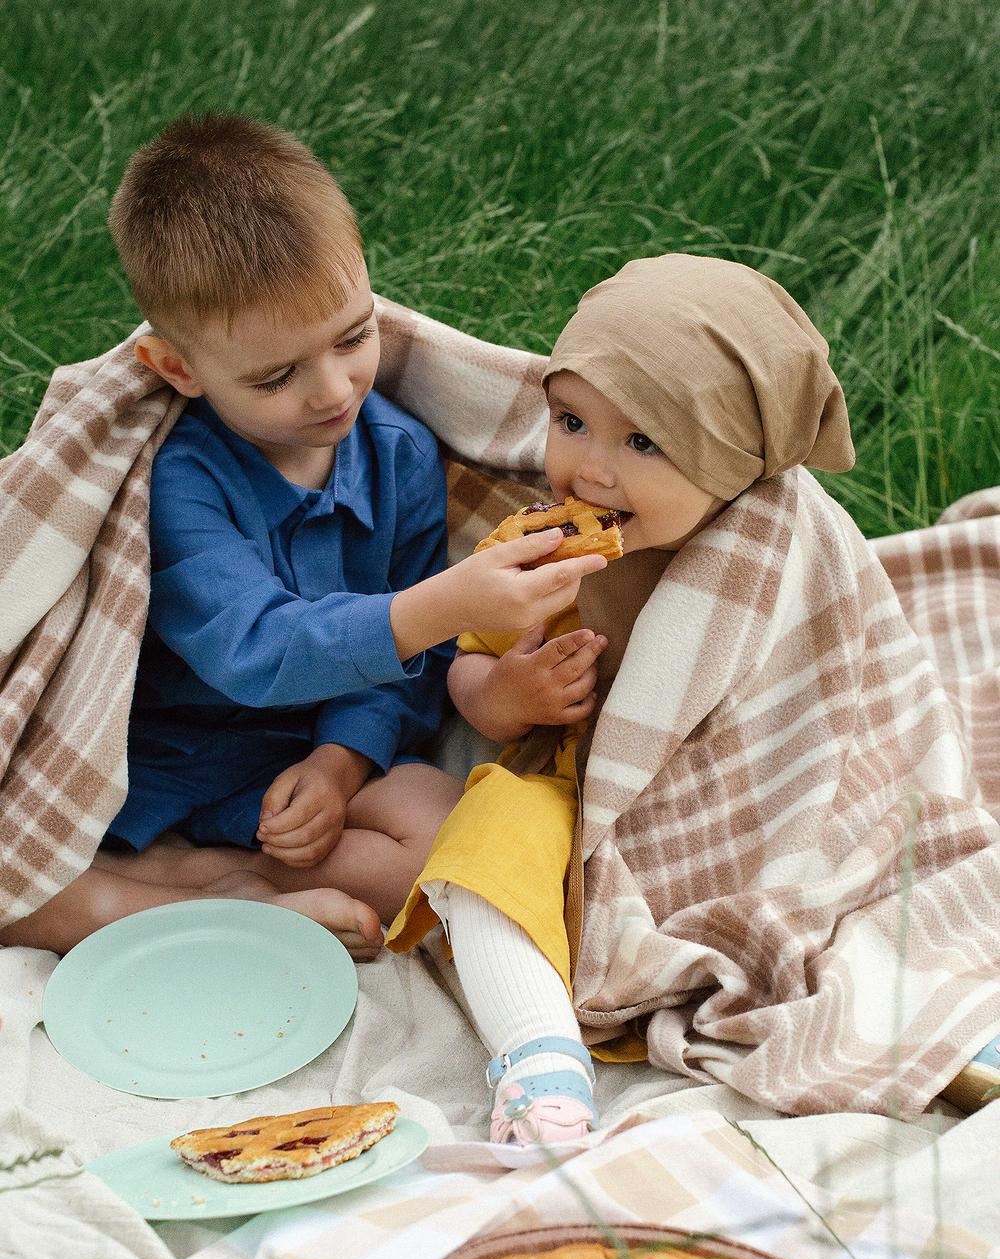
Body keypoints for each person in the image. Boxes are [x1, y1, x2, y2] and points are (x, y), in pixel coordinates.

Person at [3, 115, 608, 957]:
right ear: (179, 370)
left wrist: (341, 761)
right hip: (167, 758)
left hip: (300, 752)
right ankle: (181, 901)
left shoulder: (396, 452)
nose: (333, 390)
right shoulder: (182, 480)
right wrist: (436, 607)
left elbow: (408, 670)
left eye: (355, 337)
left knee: (446, 838)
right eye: (276, 375)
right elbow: (251, 646)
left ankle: (218, 887)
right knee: (16, 881)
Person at [387, 252, 857, 1143]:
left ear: (732, 460)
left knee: (840, 883)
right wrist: (510, 692)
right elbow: (466, 675)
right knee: (479, 845)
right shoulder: (546, 549)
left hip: (741, 796)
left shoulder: (779, 549)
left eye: (643, 442)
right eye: (571, 421)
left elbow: (830, 691)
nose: (591, 470)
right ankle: (536, 1058)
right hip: (580, 791)